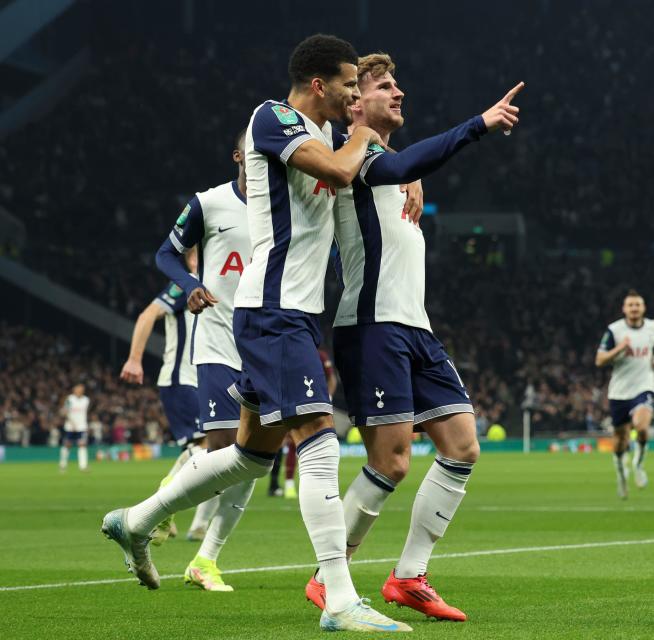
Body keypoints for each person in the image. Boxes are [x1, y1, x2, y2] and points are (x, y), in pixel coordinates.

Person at [102, 33, 412, 633]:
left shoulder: (325, 133)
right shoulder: (272, 119)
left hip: (290, 315)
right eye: (348, 84)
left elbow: (366, 171)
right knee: (320, 435)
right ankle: (340, 598)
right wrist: (364, 134)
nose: (355, 95)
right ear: (318, 84)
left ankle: (136, 520)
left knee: (249, 456)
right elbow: (343, 172)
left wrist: (397, 167)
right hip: (272, 310)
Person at [304, 53, 523, 622]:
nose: (398, 93)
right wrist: (476, 125)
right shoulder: (355, 154)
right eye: (383, 86)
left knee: (461, 446)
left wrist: (412, 167)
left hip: (414, 326)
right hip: (372, 325)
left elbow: (404, 166)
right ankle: (332, 576)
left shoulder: (391, 161)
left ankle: (408, 578)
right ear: (356, 102)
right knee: (393, 462)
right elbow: (391, 167)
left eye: (398, 83)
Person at [151, 129, 254, 591]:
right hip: (217, 343)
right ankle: (157, 509)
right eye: (251, 148)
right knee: (222, 453)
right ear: (237, 155)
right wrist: (190, 285)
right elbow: (166, 252)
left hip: (268, 348)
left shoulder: (292, 202)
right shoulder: (208, 203)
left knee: (257, 458)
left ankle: (205, 559)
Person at [120, 248, 215, 543]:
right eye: (194, 252)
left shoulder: (218, 280)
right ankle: (160, 509)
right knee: (205, 448)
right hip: (180, 379)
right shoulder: (182, 284)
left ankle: (192, 522)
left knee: (218, 451)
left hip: (205, 380)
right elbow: (148, 315)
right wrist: (135, 359)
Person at [595, 291, 654, 499]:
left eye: (638, 304)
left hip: (644, 386)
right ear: (624, 309)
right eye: (630, 305)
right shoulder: (614, 331)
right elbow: (599, 360)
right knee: (619, 441)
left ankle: (638, 463)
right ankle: (620, 472)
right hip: (619, 391)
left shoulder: (653, 327)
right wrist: (620, 348)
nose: (634, 308)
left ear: (643, 307)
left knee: (642, 426)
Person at [268, 348, 338, 499]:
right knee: (287, 443)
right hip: (293, 402)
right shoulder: (293, 351)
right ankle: (282, 484)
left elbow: (331, 379)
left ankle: (314, 486)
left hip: (317, 404)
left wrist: (329, 398)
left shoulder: (320, 355)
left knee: (318, 443)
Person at [59, 384, 90, 472]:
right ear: (74, 390)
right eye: (78, 389)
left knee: (82, 444)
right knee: (67, 445)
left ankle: (83, 466)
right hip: (70, 426)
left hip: (81, 426)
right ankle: (63, 464)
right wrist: (71, 422)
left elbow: (84, 413)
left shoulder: (86, 400)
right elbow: (65, 411)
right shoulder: (69, 399)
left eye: (81, 390)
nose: (80, 391)